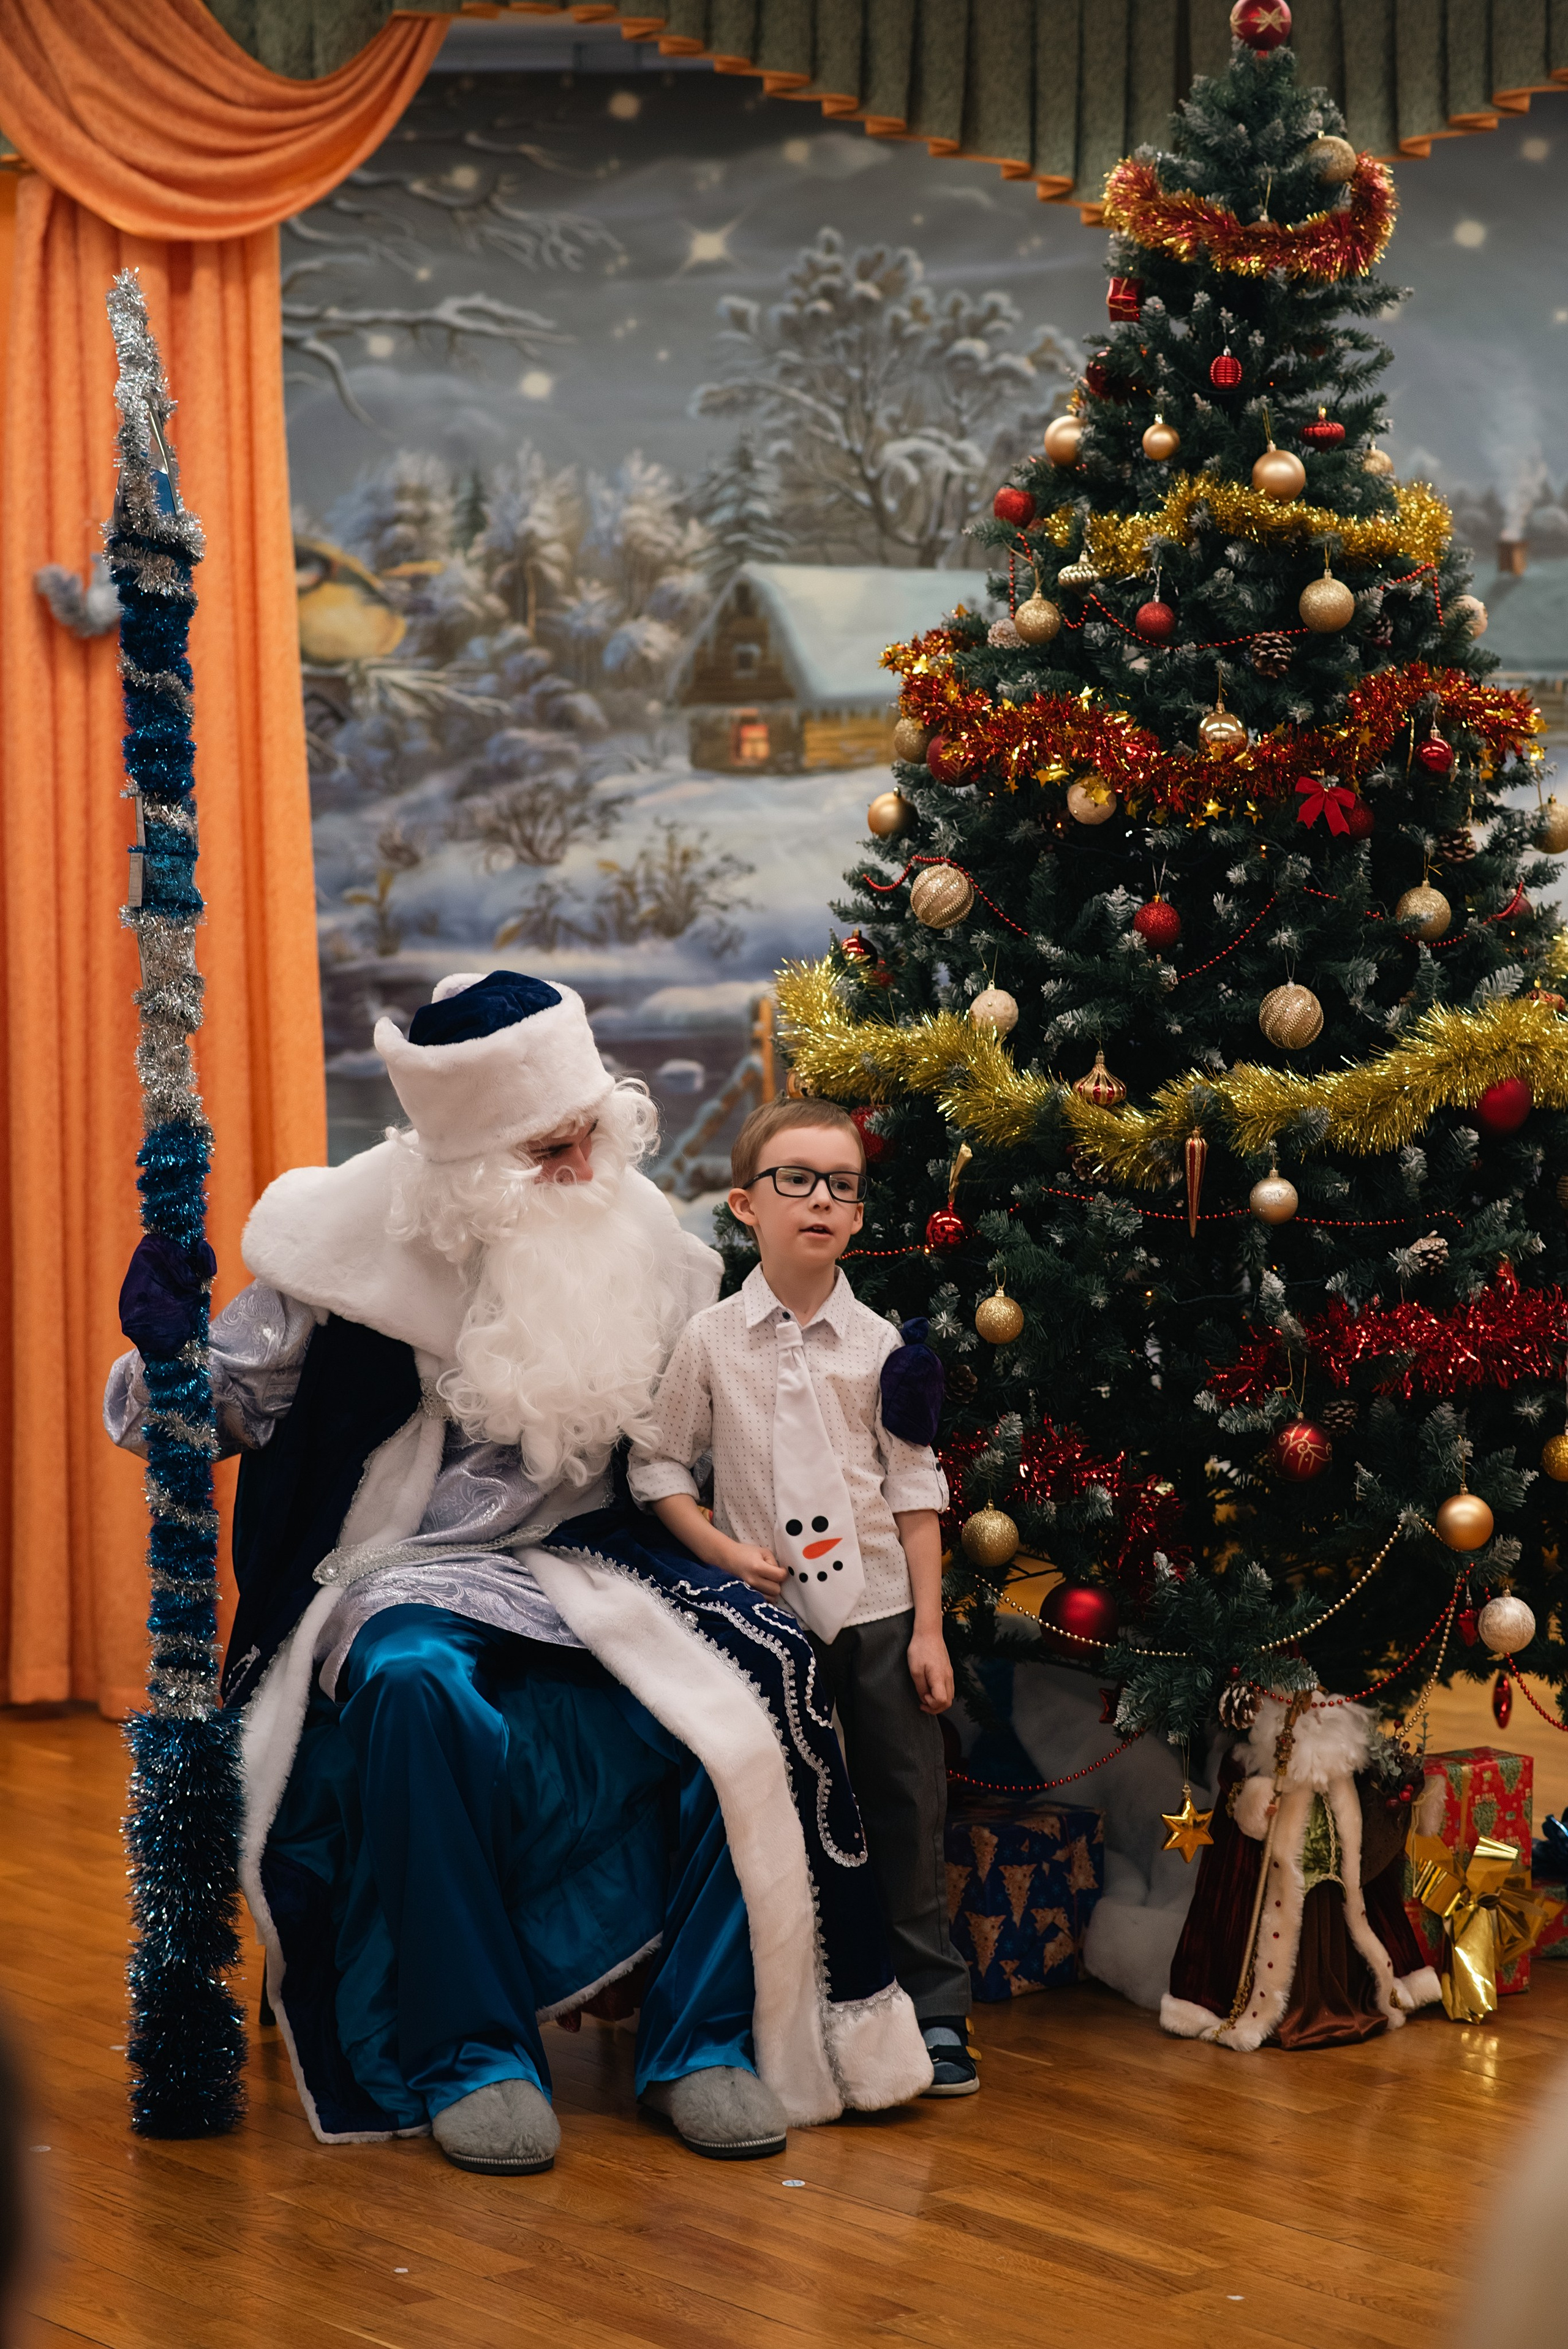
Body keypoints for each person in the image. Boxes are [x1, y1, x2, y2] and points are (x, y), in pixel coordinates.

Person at [105, 973, 930, 2174]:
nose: (578, 1165)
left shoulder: (646, 1244)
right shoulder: (334, 1246)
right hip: (391, 1568)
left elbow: (710, 1430)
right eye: (547, 1148)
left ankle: (698, 2043)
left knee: (756, 1687)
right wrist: (164, 1356)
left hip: (589, 1562)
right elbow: (194, 1418)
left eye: (587, 1133)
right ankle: (470, 2052)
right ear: (473, 1159)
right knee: (414, 1684)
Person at [628, 1098, 978, 2095]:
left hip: (874, 1612)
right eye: (796, 1180)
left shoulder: (885, 1348)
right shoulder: (709, 1341)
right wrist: (720, 1550)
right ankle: (784, 2006)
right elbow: (657, 1467)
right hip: (767, 1623)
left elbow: (915, 1491)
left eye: (843, 1185)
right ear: (746, 1204)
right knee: (778, 1810)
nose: (820, 1199)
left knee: (905, 1806)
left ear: (860, 1218)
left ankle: (933, 2011)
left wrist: (930, 1631)